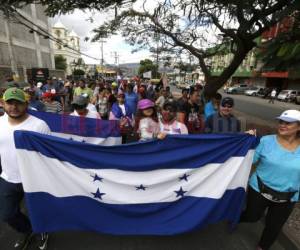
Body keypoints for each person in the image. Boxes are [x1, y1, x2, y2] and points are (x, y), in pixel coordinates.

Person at [240, 110, 300, 250]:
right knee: (252, 216)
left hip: (288, 197)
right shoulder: (266, 141)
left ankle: (262, 247)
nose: (282, 125)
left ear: (299, 127)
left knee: (274, 227)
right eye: (281, 122)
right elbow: (248, 161)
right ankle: (235, 218)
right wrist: (245, 142)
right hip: (259, 189)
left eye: (288, 123)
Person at [0, 88, 50, 250]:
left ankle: (43, 231)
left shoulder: (39, 125)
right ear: (3, 104)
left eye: (18, 103)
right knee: (7, 214)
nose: (14, 107)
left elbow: (49, 153)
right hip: (8, 178)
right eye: (10, 103)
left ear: (26, 104)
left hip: (34, 180)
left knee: (39, 211)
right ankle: (27, 231)